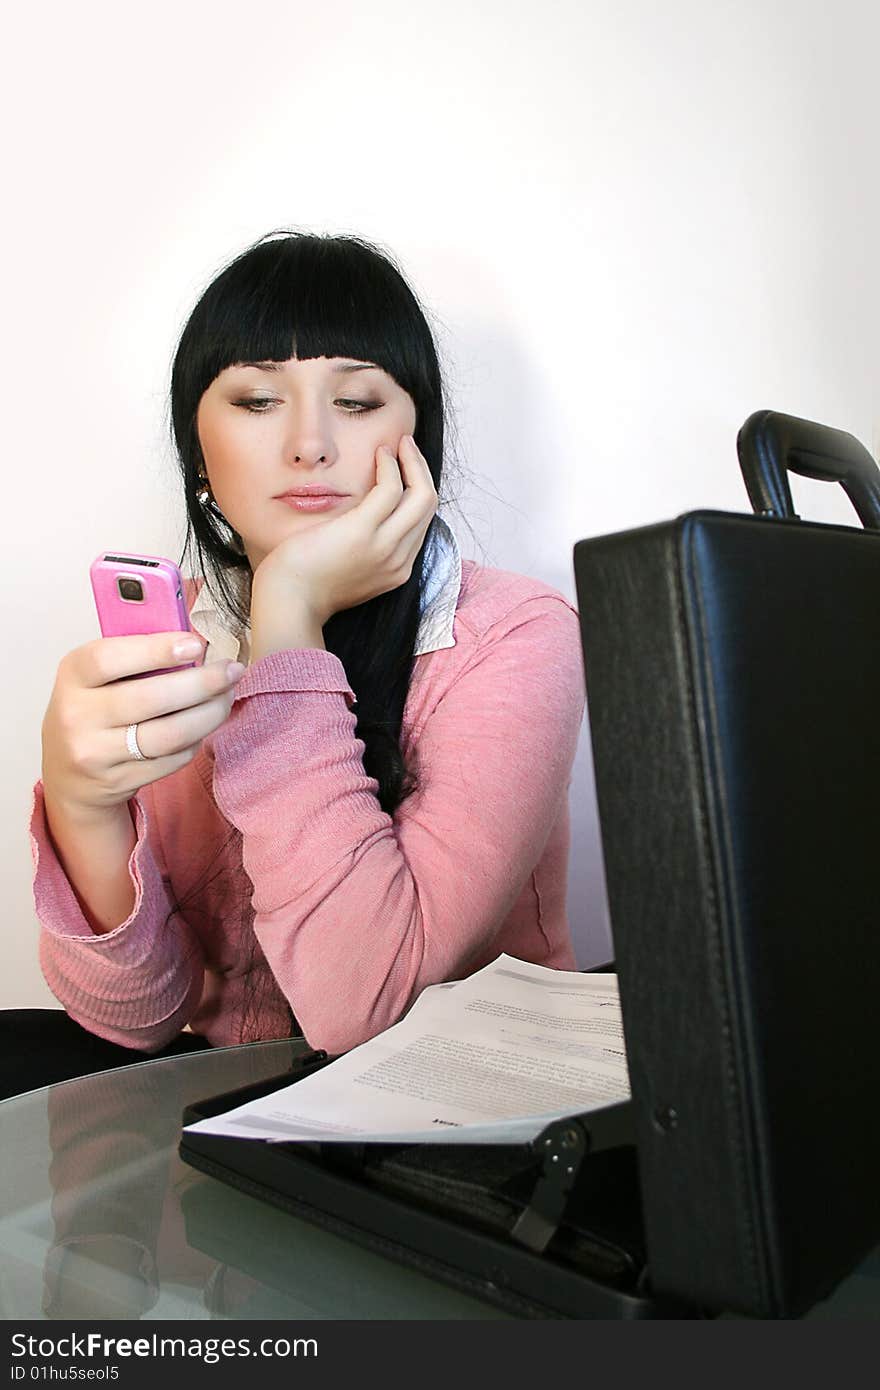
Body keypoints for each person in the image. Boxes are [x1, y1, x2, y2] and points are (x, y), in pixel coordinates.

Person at [10, 231, 586, 1100]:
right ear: (197, 452)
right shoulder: (177, 646)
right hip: (229, 1112)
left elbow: (364, 1010)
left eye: (356, 402)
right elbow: (135, 1019)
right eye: (255, 400)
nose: (310, 444)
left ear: (416, 439)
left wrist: (289, 615)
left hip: (459, 1116)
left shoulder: (517, 634)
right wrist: (85, 809)